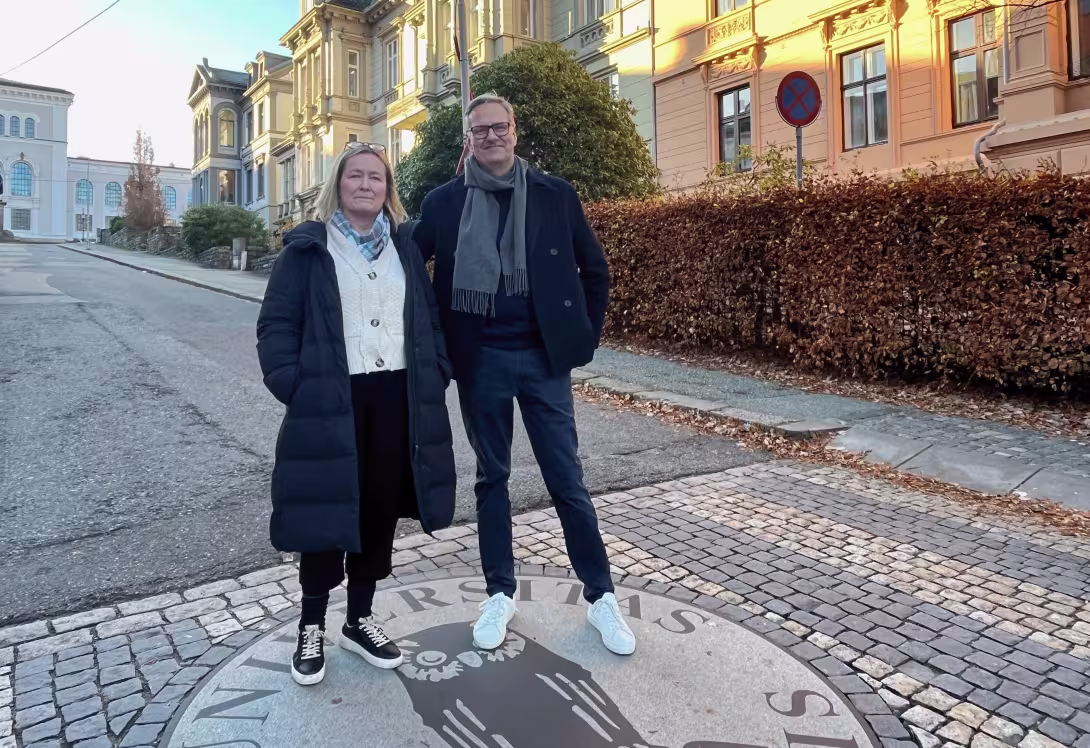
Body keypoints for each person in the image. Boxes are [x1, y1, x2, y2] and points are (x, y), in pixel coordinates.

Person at [414, 94, 635, 656]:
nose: (490, 137)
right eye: (479, 130)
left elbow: (595, 269)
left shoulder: (555, 194)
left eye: (499, 127)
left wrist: (582, 337)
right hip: (479, 360)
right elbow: (405, 266)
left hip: (543, 361)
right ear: (469, 140)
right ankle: (499, 592)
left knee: (567, 479)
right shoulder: (443, 203)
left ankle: (600, 596)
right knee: (493, 478)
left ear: (515, 132)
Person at [257, 142, 456, 686]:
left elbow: (430, 317)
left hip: (395, 398)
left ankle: (360, 618)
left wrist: (435, 368)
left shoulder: (405, 249)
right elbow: (276, 325)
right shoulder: (307, 250)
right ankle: (311, 624)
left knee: (377, 510)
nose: (366, 184)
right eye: (355, 176)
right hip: (329, 398)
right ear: (337, 186)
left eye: (376, 177)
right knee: (326, 510)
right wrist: (292, 384)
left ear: (387, 189)